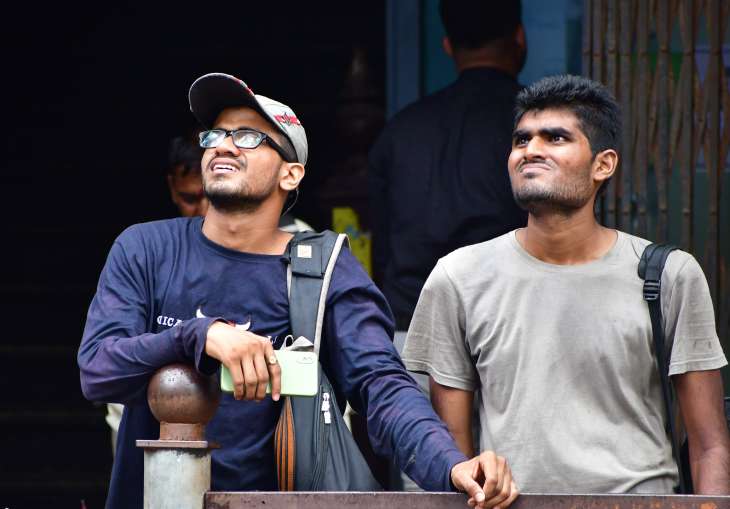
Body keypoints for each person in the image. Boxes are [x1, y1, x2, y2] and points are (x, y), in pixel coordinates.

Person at [78, 72, 520, 509]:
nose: (225, 145)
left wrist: (450, 465)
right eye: (215, 135)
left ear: (291, 174)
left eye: (249, 137)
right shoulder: (146, 248)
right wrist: (197, 335)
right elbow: (98, 370)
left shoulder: (324, 268)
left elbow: (381, 386)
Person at [402, 74, 730, 494]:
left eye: (555, 138)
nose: (530, 151)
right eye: (522, 140)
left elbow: (709, 446)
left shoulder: (669, 275)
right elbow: (456, 455)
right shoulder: (459, 277)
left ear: (603, 164)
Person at [368, 0, 528, 338]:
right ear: (520, 38)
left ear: (447, 46)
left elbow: (381, 244)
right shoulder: (540, 130)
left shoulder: (402, 128)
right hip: (510, 327)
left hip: (412, 327)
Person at [106, 132, 209, 455]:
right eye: (191, 199)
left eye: (212, 197)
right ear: (171, 188)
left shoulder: (296, 246)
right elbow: (105, 369)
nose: (204, 211)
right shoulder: (146, 251)